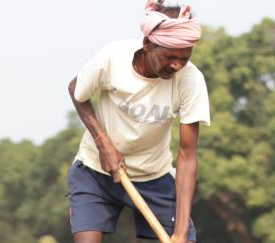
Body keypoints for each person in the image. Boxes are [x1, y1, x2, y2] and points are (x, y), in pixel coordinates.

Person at [65, 0, 210, 242]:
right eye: (169, 57)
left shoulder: (190, 79)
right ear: (147, 44)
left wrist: (181, 232)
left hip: (154, 177)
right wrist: (103, 143)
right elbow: (76, 90)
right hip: (95, 172)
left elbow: (187, 156)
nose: (176, 65)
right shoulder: (113, 58)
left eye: (184, 58)